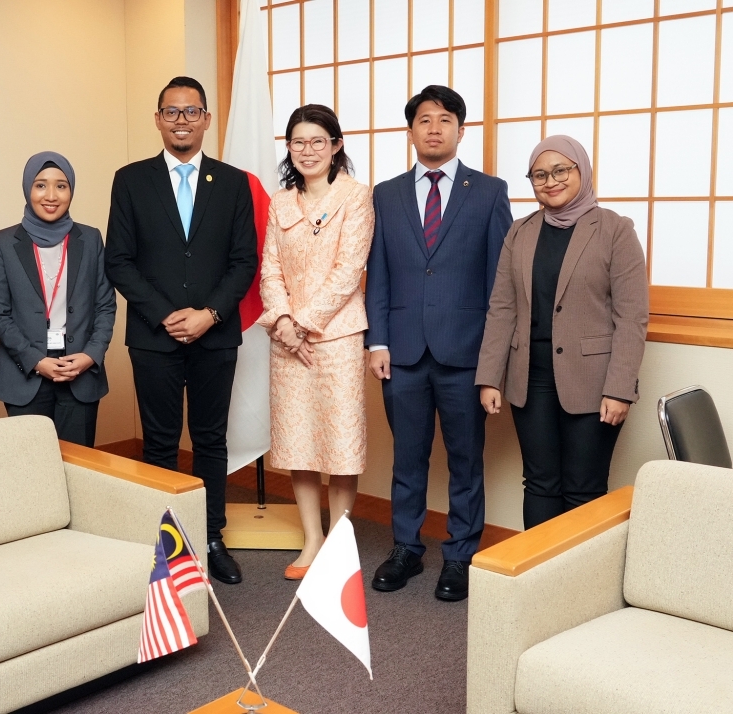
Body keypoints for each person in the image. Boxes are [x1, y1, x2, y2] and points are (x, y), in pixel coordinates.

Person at [105, 76, 257, 585]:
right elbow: (119, 262)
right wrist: (168, 314)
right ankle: (168, 545)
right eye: (171, 112)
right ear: (158, 119)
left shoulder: (233, 182)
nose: (182, 121)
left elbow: (244, 261)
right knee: (160, 443)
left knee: (212, 440)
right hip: (155, 336)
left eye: (191, 112)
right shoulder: (130, 180)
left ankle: (212, 536)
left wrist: (208, 314)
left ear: (206, 120)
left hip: (216, 334)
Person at [365, 85, 512, 601]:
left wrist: (493, 361)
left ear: (460, 130)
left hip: (465, 353)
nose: (433, 128)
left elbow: (502, 284)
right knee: (407, 457)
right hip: (401, 351)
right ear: (410, 132)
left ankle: (461, 555)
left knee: (465, 459)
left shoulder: (489, 191)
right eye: (424, 120)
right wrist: (376, 340)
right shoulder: (385, 193)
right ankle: (406, 548)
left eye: (444, 119)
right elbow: (377, 273)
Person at [476, 135, 648, 530]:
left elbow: (631, 316)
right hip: (530, 378)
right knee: (539, 484)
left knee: (583, 488)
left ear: (581, 171)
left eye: (560, 170)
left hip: (594, 382)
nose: (550, 181)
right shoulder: (520, 231)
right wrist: (489, 377)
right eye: (539, 174)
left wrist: (620, 388)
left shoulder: (614, 229)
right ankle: (538, 584)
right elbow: (501, 308)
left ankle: (582, 588)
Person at [257, 104, 373, 580]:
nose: (307, 151)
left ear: (336, 146)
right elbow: (269, 269)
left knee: (341, 443)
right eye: (298, 142)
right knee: (299, 440)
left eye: (317, 142)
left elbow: (349, 270)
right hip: (286, 340)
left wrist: (302, 322)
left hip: (338, 336)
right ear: (288, 148)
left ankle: (341, 541)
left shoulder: (356, 196)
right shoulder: (280, 201)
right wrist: (284, 324)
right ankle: (312, 539)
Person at [0, 152, 116, 446]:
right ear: (27, 189)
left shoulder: (91, 239)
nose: (51, 195)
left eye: (61, 186)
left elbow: (105, 304)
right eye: (41, 185)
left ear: (71, 191)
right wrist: (35, 360)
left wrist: (91, 355)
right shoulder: (4, 242)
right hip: (25, 374)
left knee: (79, 467)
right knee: (31, 470)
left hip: (80, 371)